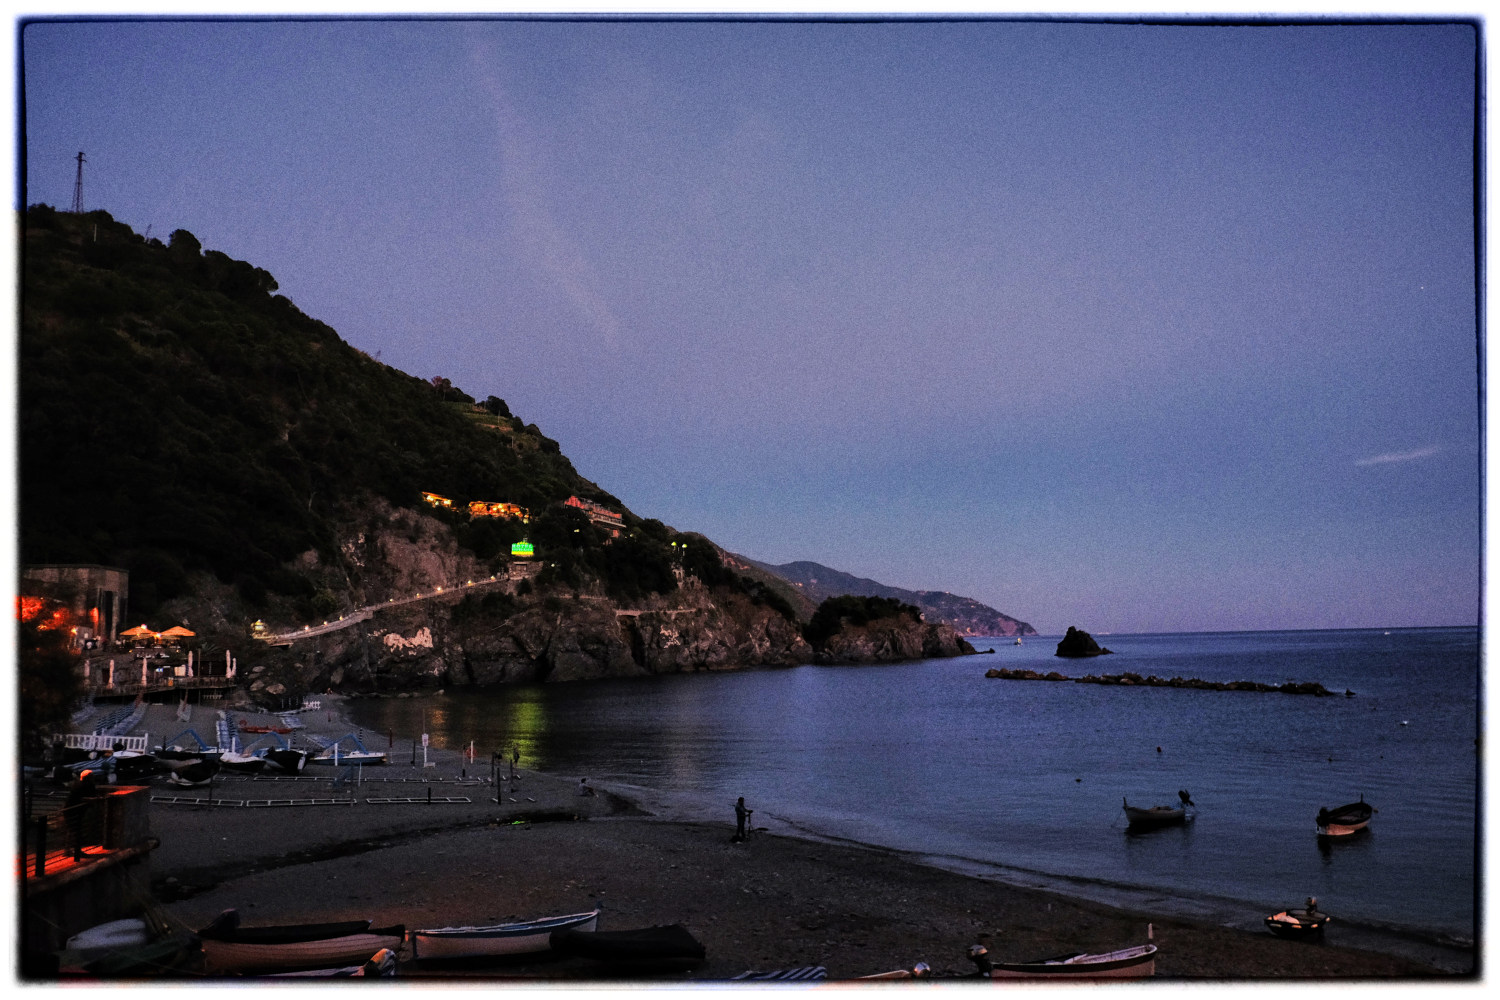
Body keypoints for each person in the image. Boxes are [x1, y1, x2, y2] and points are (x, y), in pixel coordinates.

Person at [64, 770, 104, 861]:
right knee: (75, 830)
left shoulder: (89, 786)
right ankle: (76, 852)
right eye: (91, 776)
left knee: (72, 830)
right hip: (71, 811)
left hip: (77, 811)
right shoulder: (80, 786)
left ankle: (68, 850)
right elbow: (82, 798)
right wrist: (95, 799)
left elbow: (92, 794)